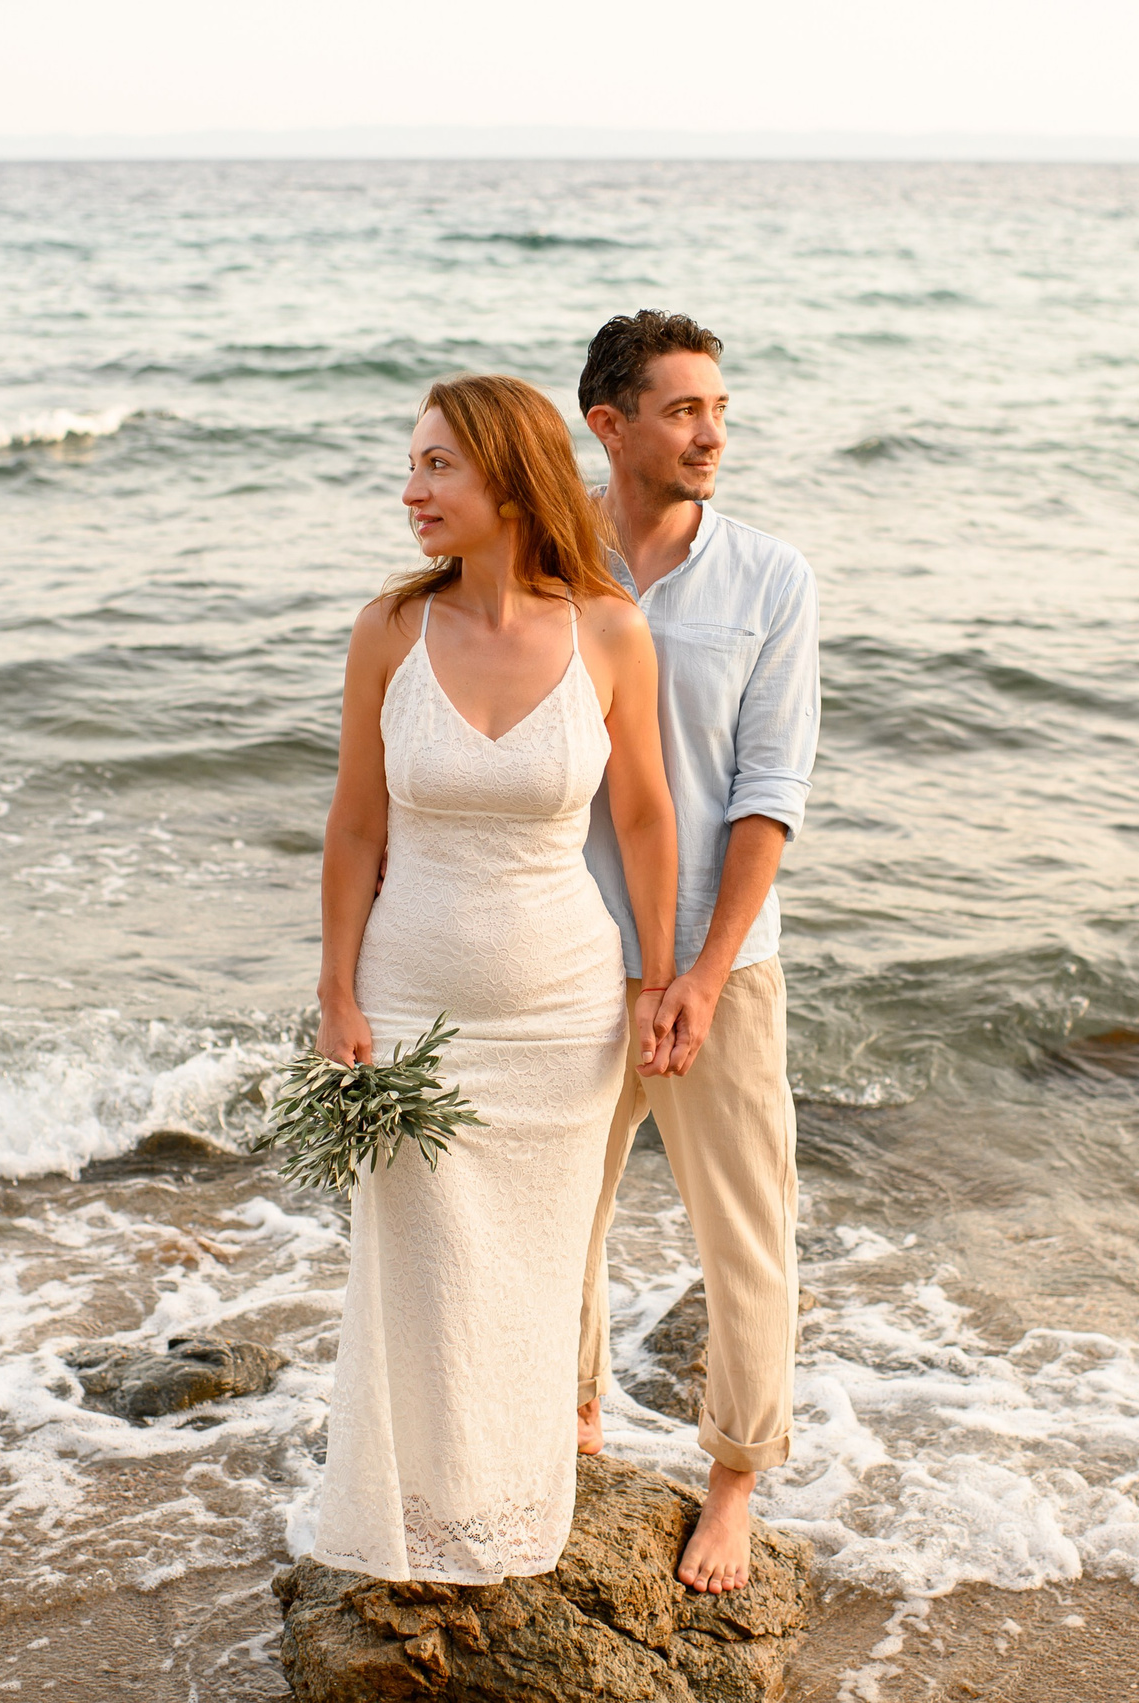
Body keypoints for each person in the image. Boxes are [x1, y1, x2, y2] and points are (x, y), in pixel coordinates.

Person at [306, 374, 682, 1583]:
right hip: (411, 1001)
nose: (410, 490)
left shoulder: (611, 632)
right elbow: (355, 827)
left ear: (508, 479)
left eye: (435, 468)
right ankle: (404, 1512)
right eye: (411, 465)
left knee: (525, 1272)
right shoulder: (389, 630)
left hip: (562, 1012)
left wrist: (657, 978)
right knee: (411, 1264)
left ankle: (510, 1510)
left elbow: (645, 819)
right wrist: (337, 992)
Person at [573, 311, 821, 1595]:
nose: (712, 430)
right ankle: (572, 1429)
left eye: (718, 407)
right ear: (609, 424)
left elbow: (766, 794)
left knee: (745, 1229)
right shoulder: (545, 549)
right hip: (561, 952)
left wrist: (704, 972)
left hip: (720, 960)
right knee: (561, 1215)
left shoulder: (770, 578)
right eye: (682, 409)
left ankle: (733, 1478)